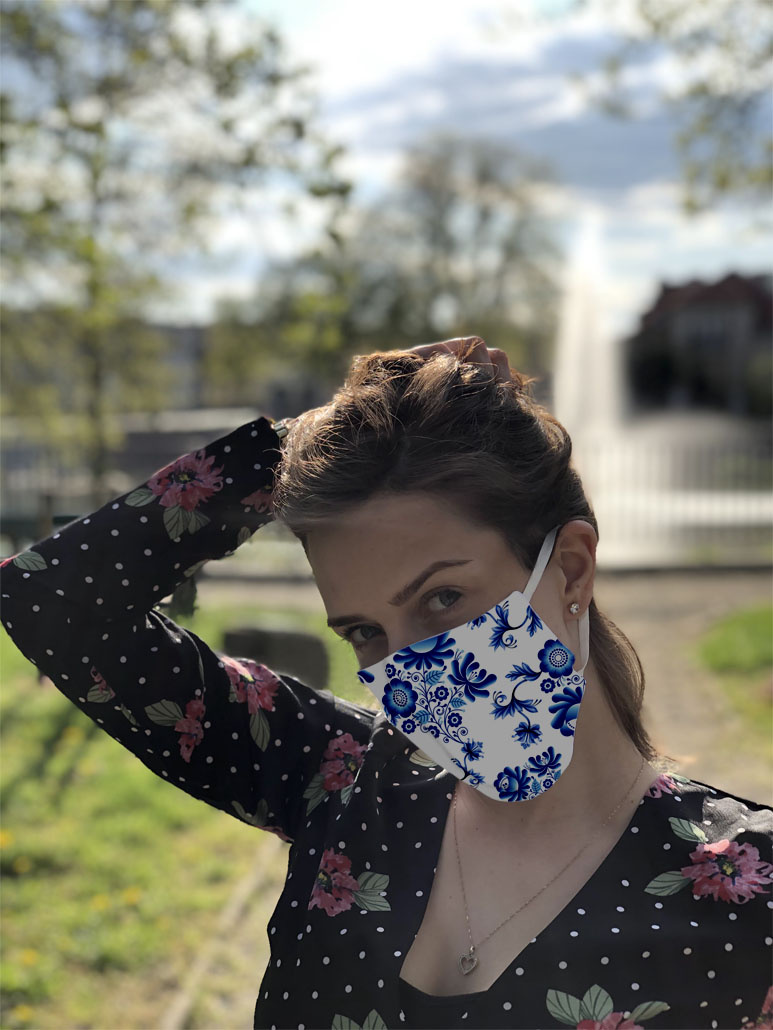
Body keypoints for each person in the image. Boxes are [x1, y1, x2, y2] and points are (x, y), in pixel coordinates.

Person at [1, 336, 770, 1030]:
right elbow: (48, 600)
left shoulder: (749, 898)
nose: (408, 668)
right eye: (364, 631)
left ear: (569, 568)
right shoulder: (337, 778)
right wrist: (293, 449)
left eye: (442, 598)